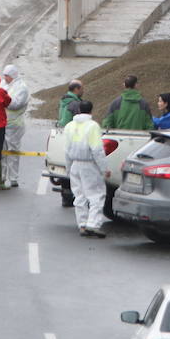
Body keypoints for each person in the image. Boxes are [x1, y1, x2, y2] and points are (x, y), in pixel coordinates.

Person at [62, 100, 107, 238]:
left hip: (75, 164)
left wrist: (68, 168)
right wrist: (104, 168)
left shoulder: (70, 126)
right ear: (91, 111)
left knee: (79, 195)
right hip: (89, 165)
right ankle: (93, 224)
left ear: (78, 110)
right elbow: (97, 150)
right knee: (96, 195)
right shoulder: (92, 126)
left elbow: (66, 150)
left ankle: (82, 224)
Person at [2, 64, 29, 189]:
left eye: (7, 76)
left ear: (13, 75)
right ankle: (2, 176)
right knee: (1, 151)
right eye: (4, 76)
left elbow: (16, 104)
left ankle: (13, 178)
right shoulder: (3, 84)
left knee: (13, 151)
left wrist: (2, 100)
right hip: (2, 122)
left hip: (14, 125)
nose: (5, 78)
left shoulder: (21, 88)